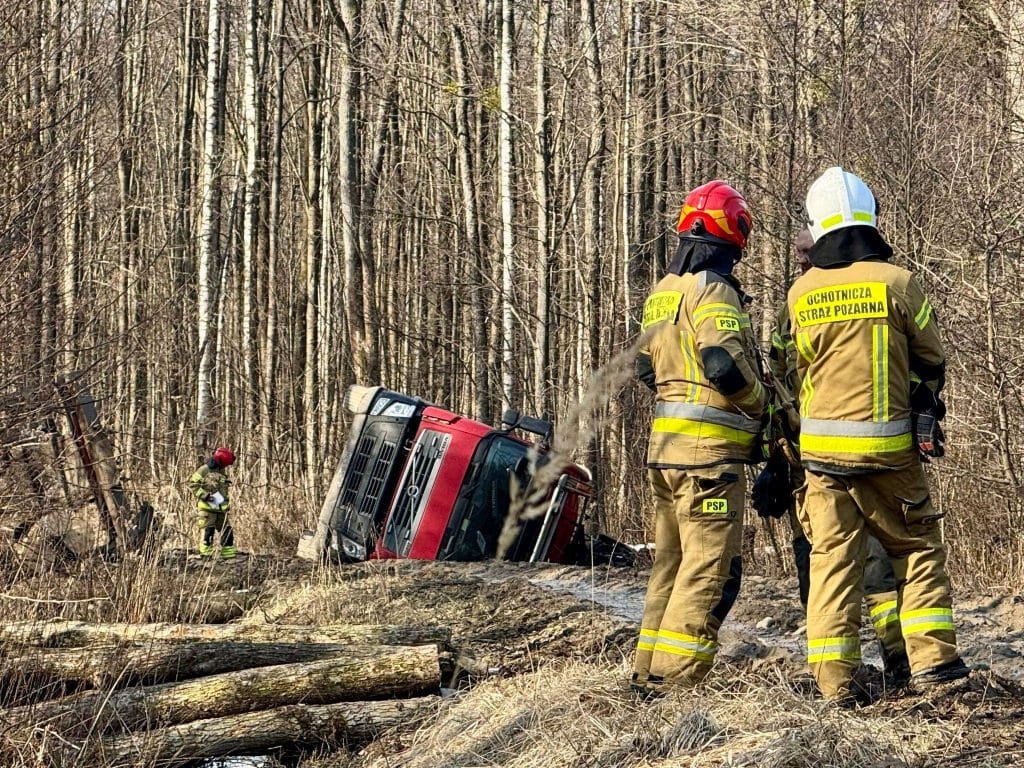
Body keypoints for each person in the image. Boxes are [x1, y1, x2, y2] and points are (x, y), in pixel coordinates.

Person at [787, 167, 968, 705]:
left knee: (832, 565)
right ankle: (933, 664)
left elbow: (792, 367)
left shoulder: (801, 293)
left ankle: (835, 685)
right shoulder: (898, 282)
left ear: (818, 225)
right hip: (891, 455)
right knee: (915, 550)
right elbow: (932, 358)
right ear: (870, 218)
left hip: (822, 460)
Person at [757, 227, 911, 686]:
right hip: (807, 458)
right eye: (799, 253)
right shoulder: (795, 302)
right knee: (817, 560)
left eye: (808, 251)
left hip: (858, 451)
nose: (803, 259)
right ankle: (833, 673)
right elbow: (776, 384)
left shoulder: (842, 294)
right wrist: (773, 459)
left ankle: (897, 660)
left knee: (878, 562)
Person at [632, 180, 767, 694]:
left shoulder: (662, 292)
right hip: (708, 462)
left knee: (669, 565)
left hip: (664, 456)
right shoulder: (714, 289)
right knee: (710, 573)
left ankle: (646, 671)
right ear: (734, 235)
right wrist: (760, 410)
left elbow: (647, 368)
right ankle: (674, 686)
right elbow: (721, 363)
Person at [188, 447, 237, 559]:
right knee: (208, 531)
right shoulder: (203, 470)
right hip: (207, 508)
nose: (225, 467)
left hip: (221, 510)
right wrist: (206, 497)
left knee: (227, 531)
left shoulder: (221, 471)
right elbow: (193, 485)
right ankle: (206, 556)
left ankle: (228, 555)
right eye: (225, 465)